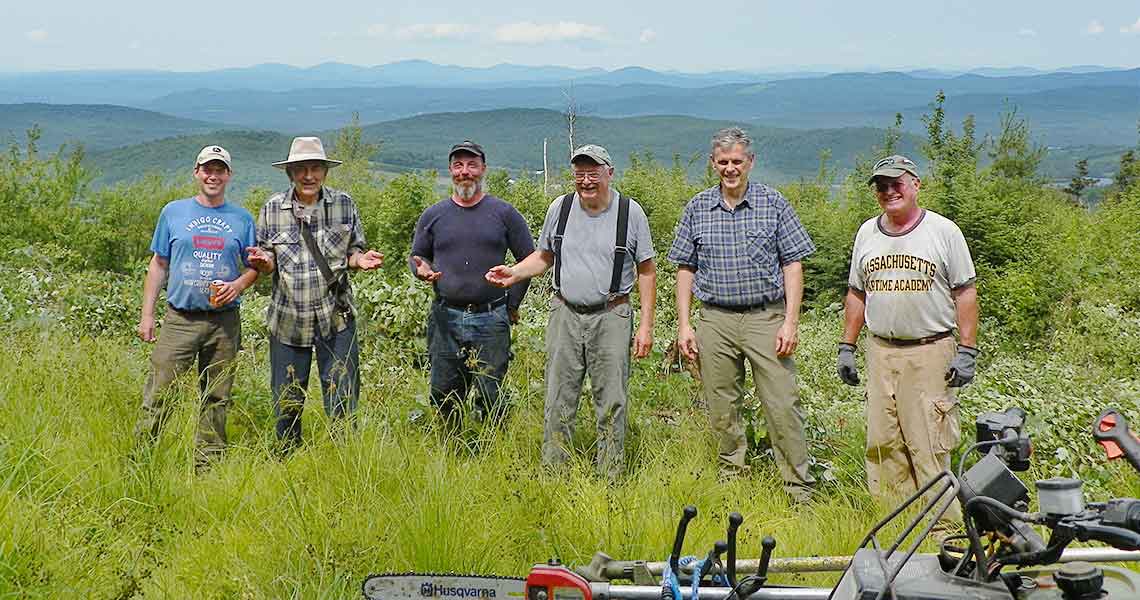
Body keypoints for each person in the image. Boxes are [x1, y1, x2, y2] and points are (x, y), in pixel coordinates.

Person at [485, 144, 656, 479]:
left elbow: (646, 271)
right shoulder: (560, 208)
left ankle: (609, 477)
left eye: (594, 172)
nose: (586, 180)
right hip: (564, 313)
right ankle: (554, 473)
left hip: (612, 314)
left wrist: (646, 327)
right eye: (580, 173)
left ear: (610, 173)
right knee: (558, 395)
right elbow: (544, 257)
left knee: (612, 400)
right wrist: (514, 272)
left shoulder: (630, 213)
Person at [668, 127, 816, 502]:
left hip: (766, 318)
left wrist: (790, 321)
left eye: (736, 161)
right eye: (723, 162)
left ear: (750, 162)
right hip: (714, 319)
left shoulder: (774, 203)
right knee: (721, 404)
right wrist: (685, 324)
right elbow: (685, 268)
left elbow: (793, 264)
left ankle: (798, 487)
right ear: (712, 163)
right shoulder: (697, 207)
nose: (730, 169)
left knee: (782, 404)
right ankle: (732, 475)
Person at [837, 154, 979, 521]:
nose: (888, 192)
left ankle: (942, 532)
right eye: (881, 186)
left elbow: (965, 292)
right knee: (883, 444)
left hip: (929, 351)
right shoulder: (867, 233)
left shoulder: (944, 232)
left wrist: (967, 351)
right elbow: (856, 293)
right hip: (881, 351)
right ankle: (895, 524)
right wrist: (846, 348)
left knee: (930, 443)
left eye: (896, 183)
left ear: (915, 184)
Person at [248, 136, 385, 450]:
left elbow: (353, 252)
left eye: (315, 168)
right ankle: (286, 458)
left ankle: (344, 459)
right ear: (290, 173)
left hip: (335, 318)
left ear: (325, 171)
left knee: (342, 397)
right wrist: (263, 262)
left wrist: (360, 260)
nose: (308, 175)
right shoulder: (272, 208)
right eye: (301, 169)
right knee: (287, 399)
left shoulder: (344, 204)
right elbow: (267, 260)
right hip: (287, 319)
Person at [135, 145, 258, 470]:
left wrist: (239, 284)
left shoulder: (242, 219)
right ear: (196, 172)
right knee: (160, 393)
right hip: (179, 319)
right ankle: (141, 462)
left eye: (220, 170)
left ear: (229, 175)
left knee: (217, 397)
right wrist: (147, 315)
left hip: (224, 322)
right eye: (207, 169)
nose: (213, 176)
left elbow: (254, 266)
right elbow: (159, 264)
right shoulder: (173, 212)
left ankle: (208, 470)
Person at [409, 140, 535, 430]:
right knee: (443, 391)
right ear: (451, 170)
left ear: (483, 170)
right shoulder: (433, 215)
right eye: (458, 165)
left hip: (491, 316)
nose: (465, 172)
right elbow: (417, 256)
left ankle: (492, 450)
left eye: (472, 165)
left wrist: (511, 305)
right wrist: (421, 269)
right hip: (445, 317)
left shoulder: (504, 214)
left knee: (491, 392)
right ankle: (452, 449)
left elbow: (528, 262)